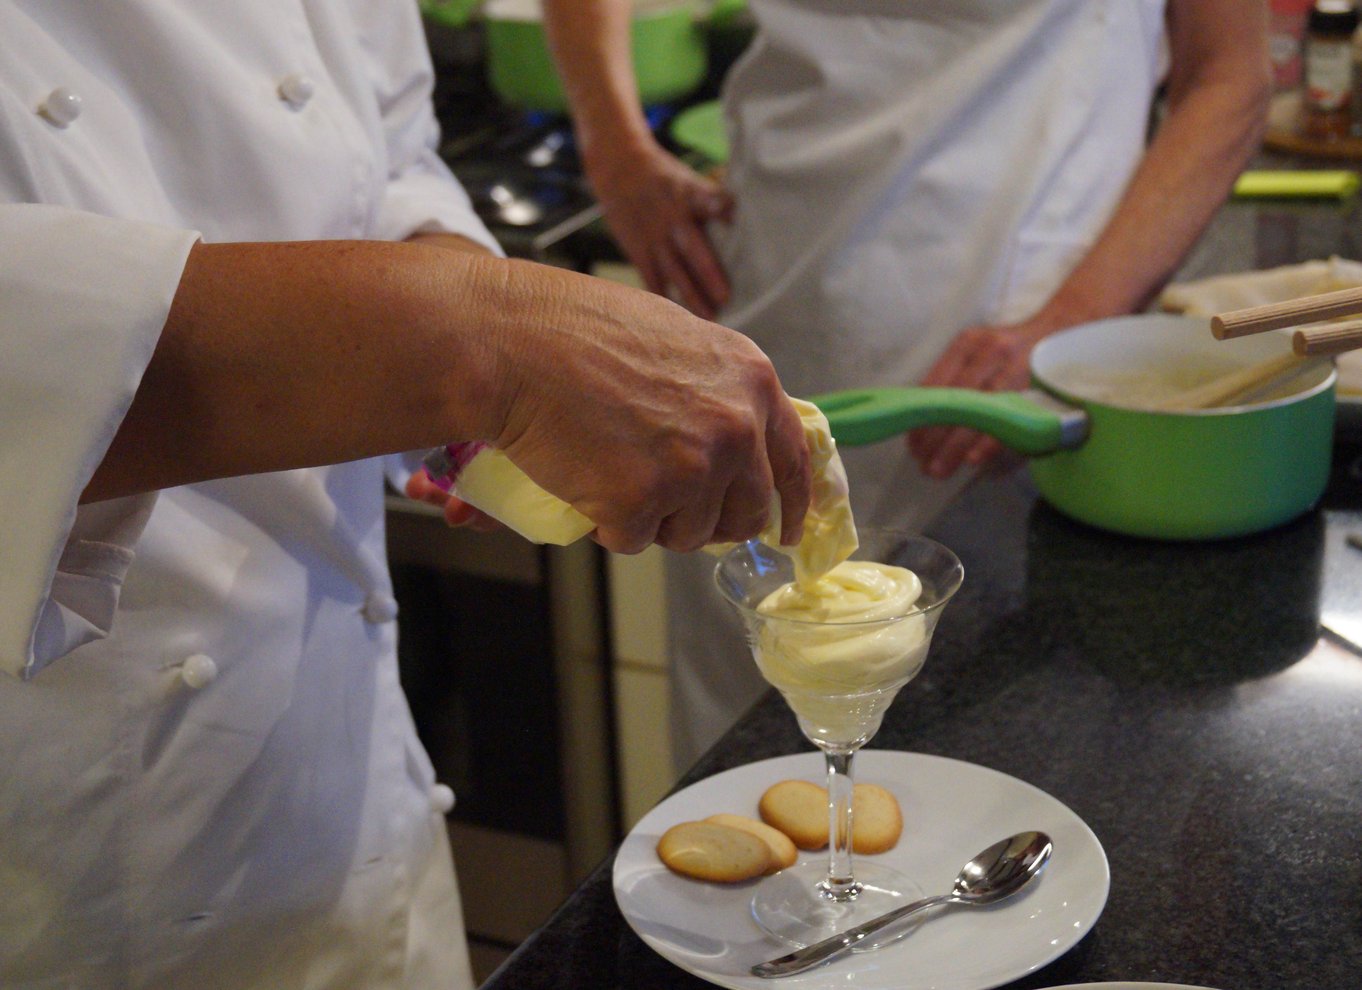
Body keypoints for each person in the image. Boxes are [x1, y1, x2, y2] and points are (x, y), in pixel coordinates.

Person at [0, 3, 813, 988]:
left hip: (342, 791)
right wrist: (481, 346)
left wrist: (465, 310)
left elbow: (386, 160)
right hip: (63, 857)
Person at [542, 0, 1272, 769]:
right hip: (769, 299)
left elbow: (1227, 75)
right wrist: (613, 146)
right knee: (758, 789)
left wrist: (1073, 319)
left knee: (1007, 781)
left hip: (1022, 363)